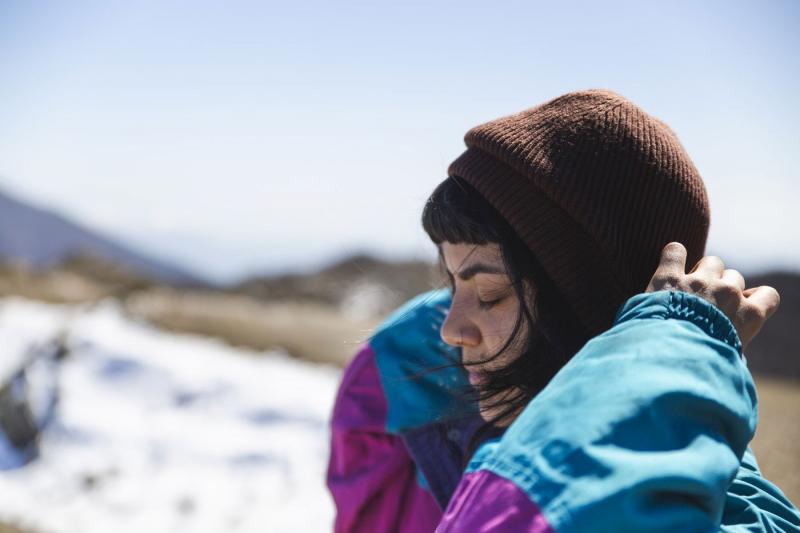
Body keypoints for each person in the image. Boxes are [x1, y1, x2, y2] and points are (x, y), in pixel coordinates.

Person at [325, 89, 800, 531]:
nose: (449, 329)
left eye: (489, 293)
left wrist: (674, 345)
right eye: (451, 286)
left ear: (590, 309)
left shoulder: (738, 510)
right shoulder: (402, 405)